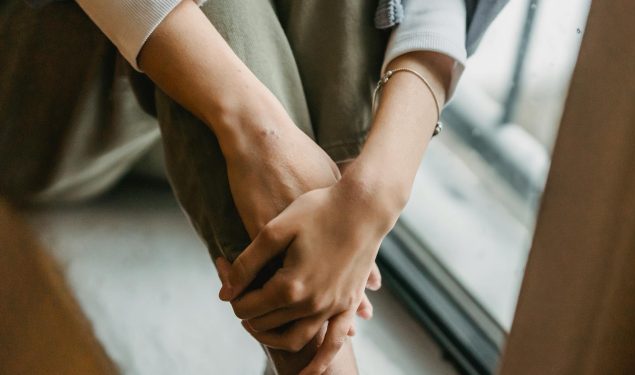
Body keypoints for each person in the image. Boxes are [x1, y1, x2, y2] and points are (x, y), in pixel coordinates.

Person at [0, 0, 506, 373]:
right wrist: (255, 130)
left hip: (183, 125)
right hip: (47, 106)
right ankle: (318, 360)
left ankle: (315, 317)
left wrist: (375, 189)